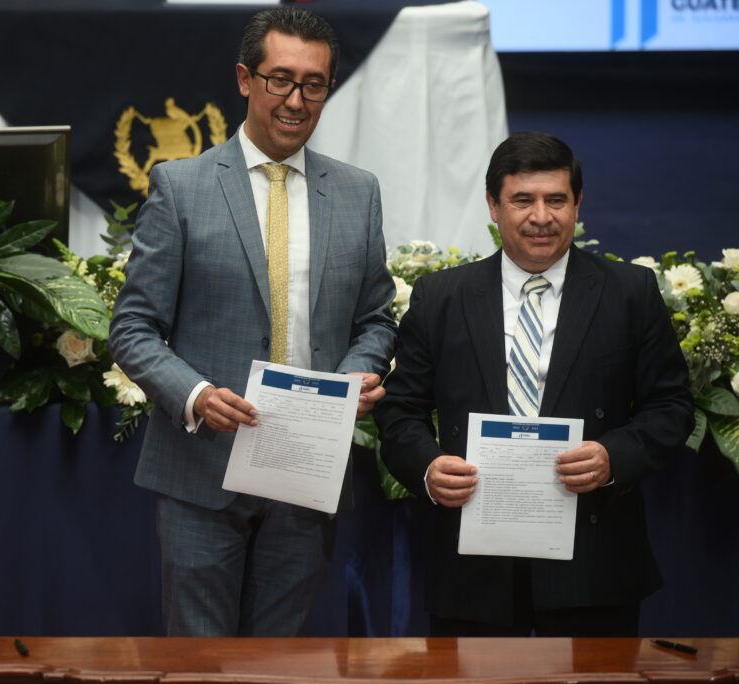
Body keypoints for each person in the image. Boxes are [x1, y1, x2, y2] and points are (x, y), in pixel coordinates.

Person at [109, 7, 396, 637]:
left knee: (280, 666)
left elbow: (375, 321)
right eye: (280, 80)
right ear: (245, 79)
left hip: (306, 468)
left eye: (314, 84)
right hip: (201, 467)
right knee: (200, 665)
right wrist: (197, 395)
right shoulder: (181, 187)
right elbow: (132, 327)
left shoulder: (357, 192)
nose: (296, 100)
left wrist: (353, 380)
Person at [376, 131, 693, 637]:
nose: (541, 217)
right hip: (472, 567)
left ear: (578, 204)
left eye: (556, 200)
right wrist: (428, 468)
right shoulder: (441, 297)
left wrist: (614, 457)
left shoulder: (629, 292)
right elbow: (400, 411)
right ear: (493, 205)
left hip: (593, 566)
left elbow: (671, 407)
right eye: (522, 200)